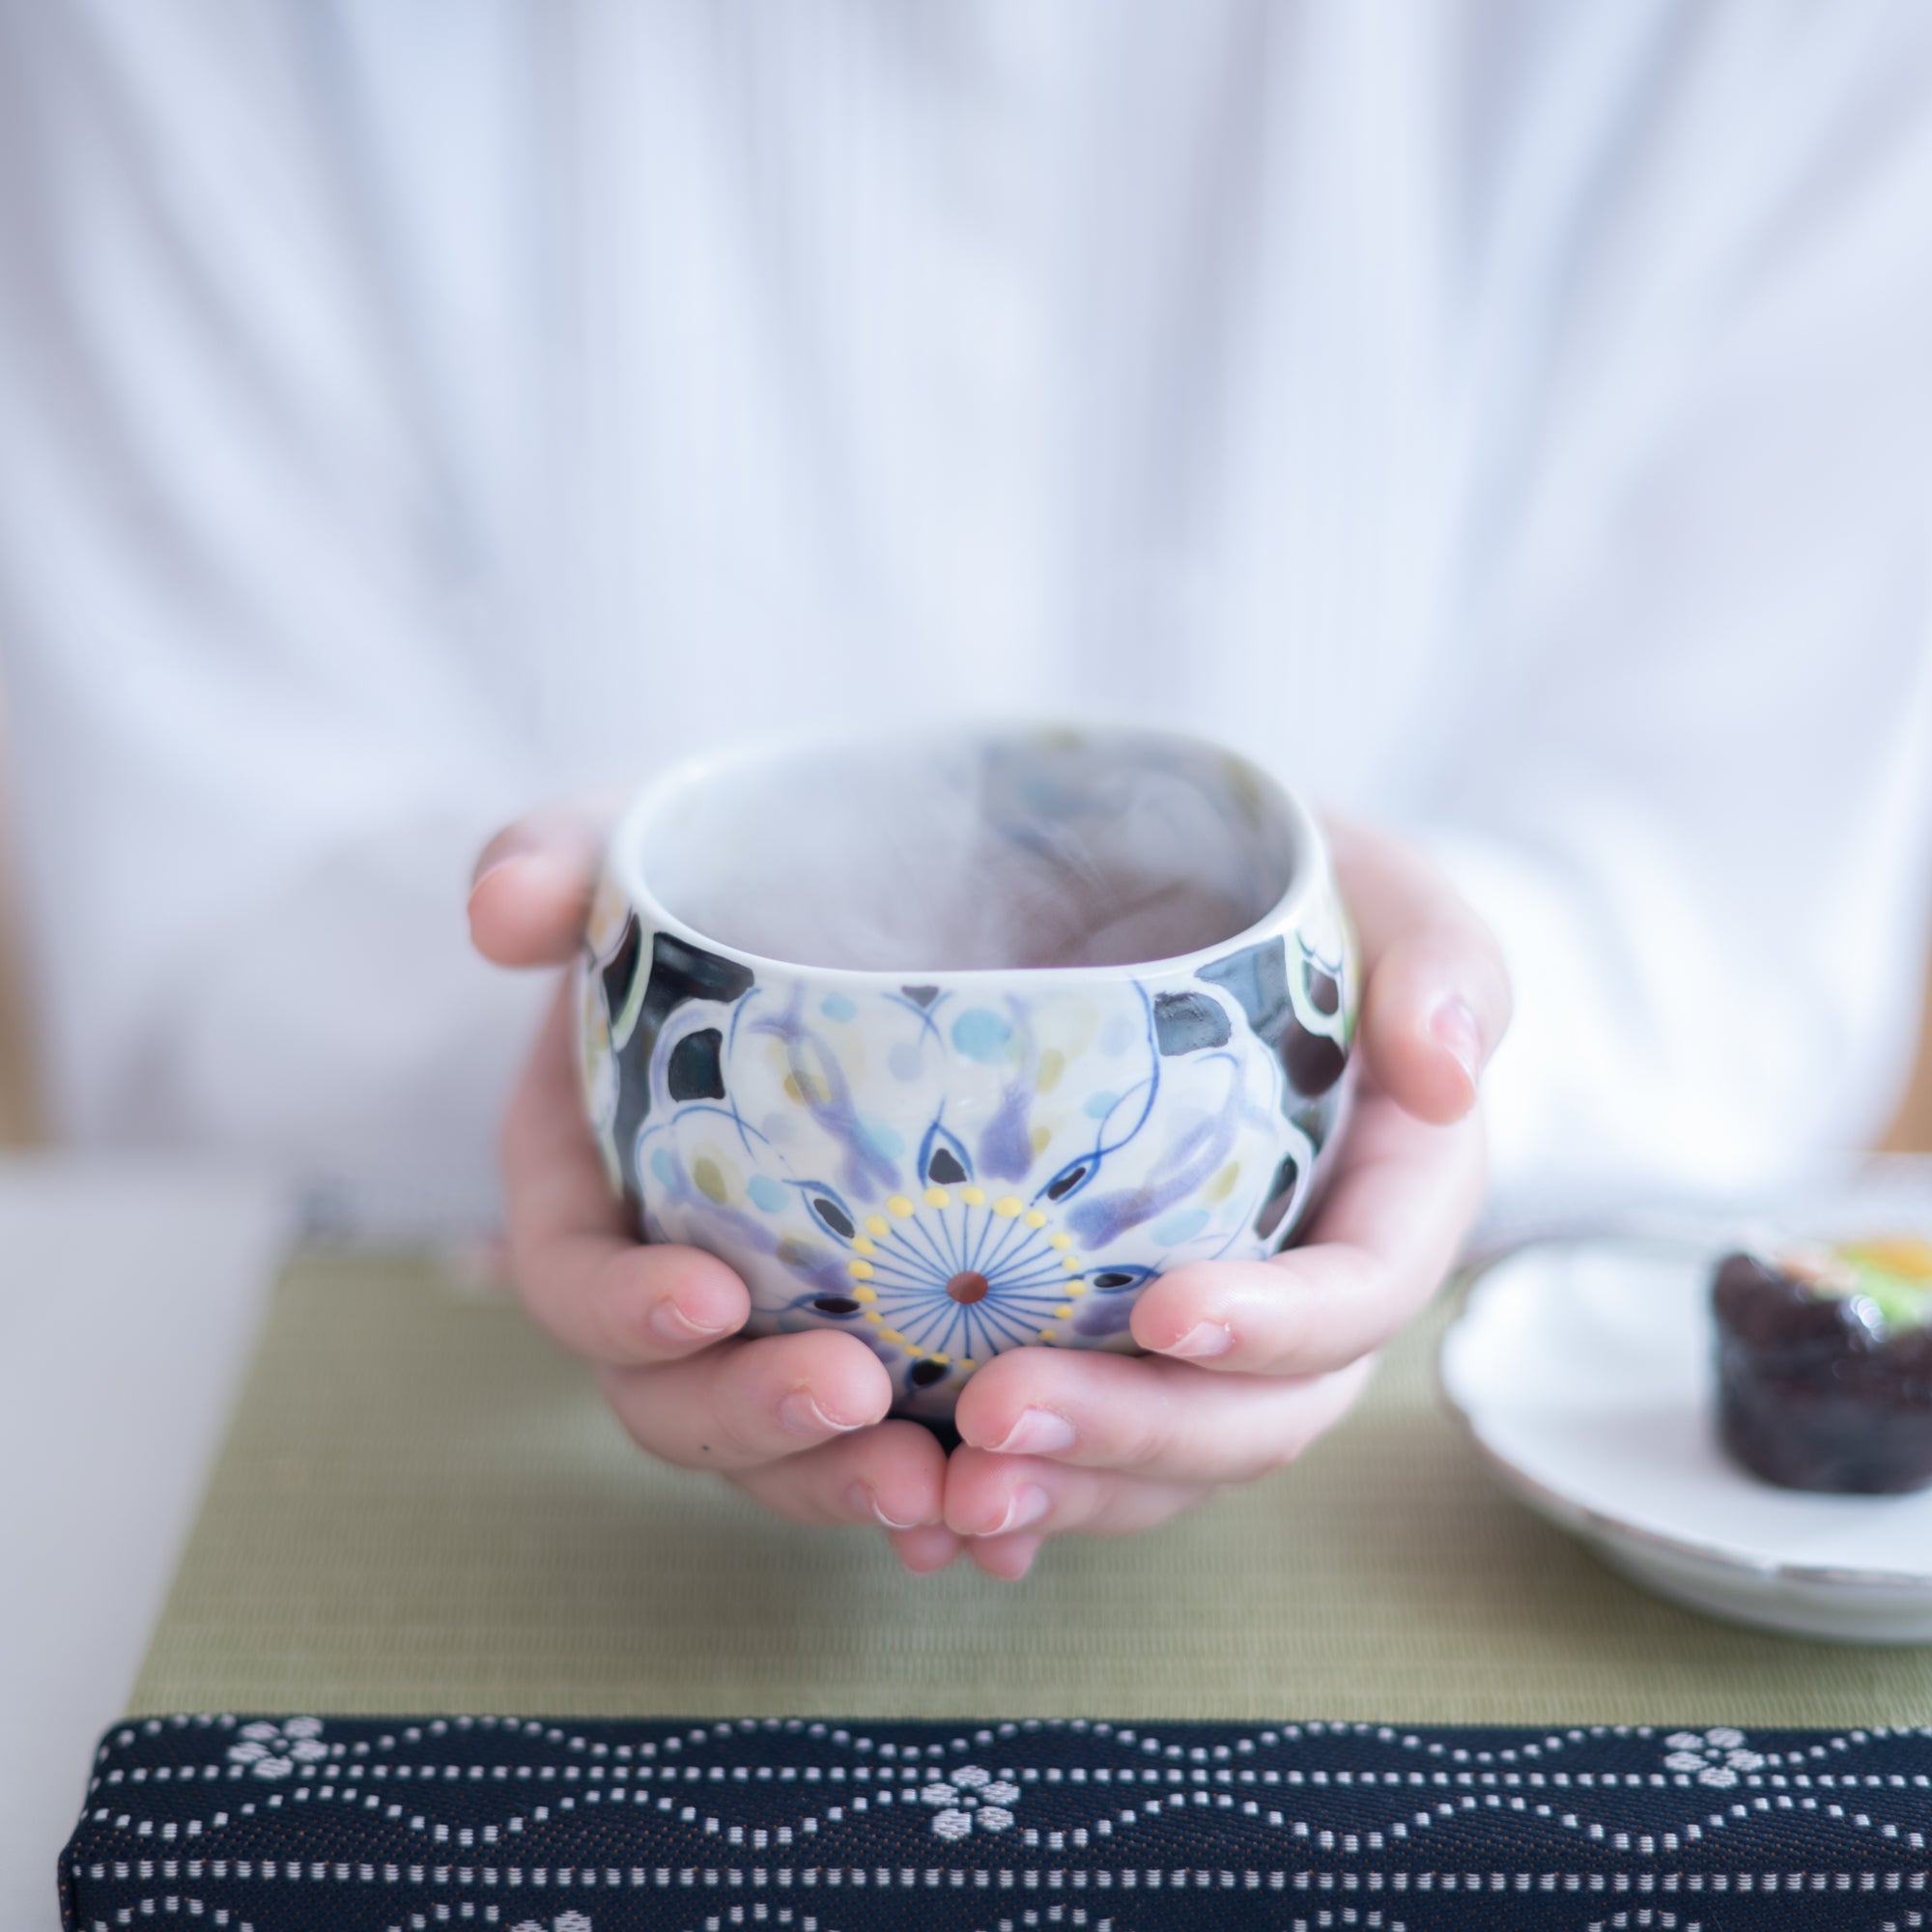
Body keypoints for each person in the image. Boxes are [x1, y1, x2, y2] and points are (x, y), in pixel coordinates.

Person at [5, 5, 1932, 1577]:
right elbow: (200, 919)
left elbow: (1739, 918)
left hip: (1461, 1448)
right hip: (408, 1433)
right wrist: (570, 1007)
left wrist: (1426, 1044)